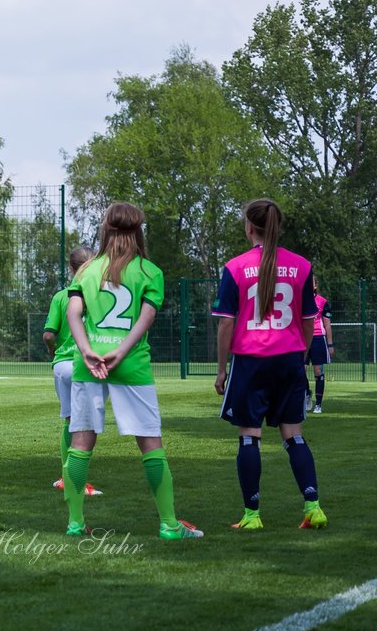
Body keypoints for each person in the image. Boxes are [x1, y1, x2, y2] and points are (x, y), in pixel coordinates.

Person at [64, 202, 203, 540]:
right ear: (139, 230)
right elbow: (147, 317)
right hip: (131, 364)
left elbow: (73, 312)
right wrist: (121, 351)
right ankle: (169, 525)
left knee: (81, 442)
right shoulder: (149, 271)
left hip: (90, 364)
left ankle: (74, 523)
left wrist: (86, 350)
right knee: (151, 444)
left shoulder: (87, 270)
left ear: (105, 229)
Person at [213, 198, 326, 531]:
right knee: (294, 436)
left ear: (249, 226)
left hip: (251, 361)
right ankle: (313, 507)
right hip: (290, 359)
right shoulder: (302, 266)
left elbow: (225, 323)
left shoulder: (235, 267)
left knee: (250, 437)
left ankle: (252, 516)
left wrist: (222, 369)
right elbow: (308, 320)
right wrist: (301, 354)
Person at [42, 246, 102, 497]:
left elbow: (48, 334)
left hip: (61, 365)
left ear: (71, 268)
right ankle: (77, 481)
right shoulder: (98, 295)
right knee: (85, 425)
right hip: (83, 364)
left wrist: (53, 352)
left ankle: (66, 478)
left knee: (69, 421)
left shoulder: (61, 296)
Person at [305, 276, 334, 414]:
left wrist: (330, 344)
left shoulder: (322, 302)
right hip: (303, 339)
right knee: (300, 370)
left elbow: (327, 325)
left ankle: (319, 404)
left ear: (315, 286)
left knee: (318, 371)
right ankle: (306, 394)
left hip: (318, 338)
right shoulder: (299, 300)